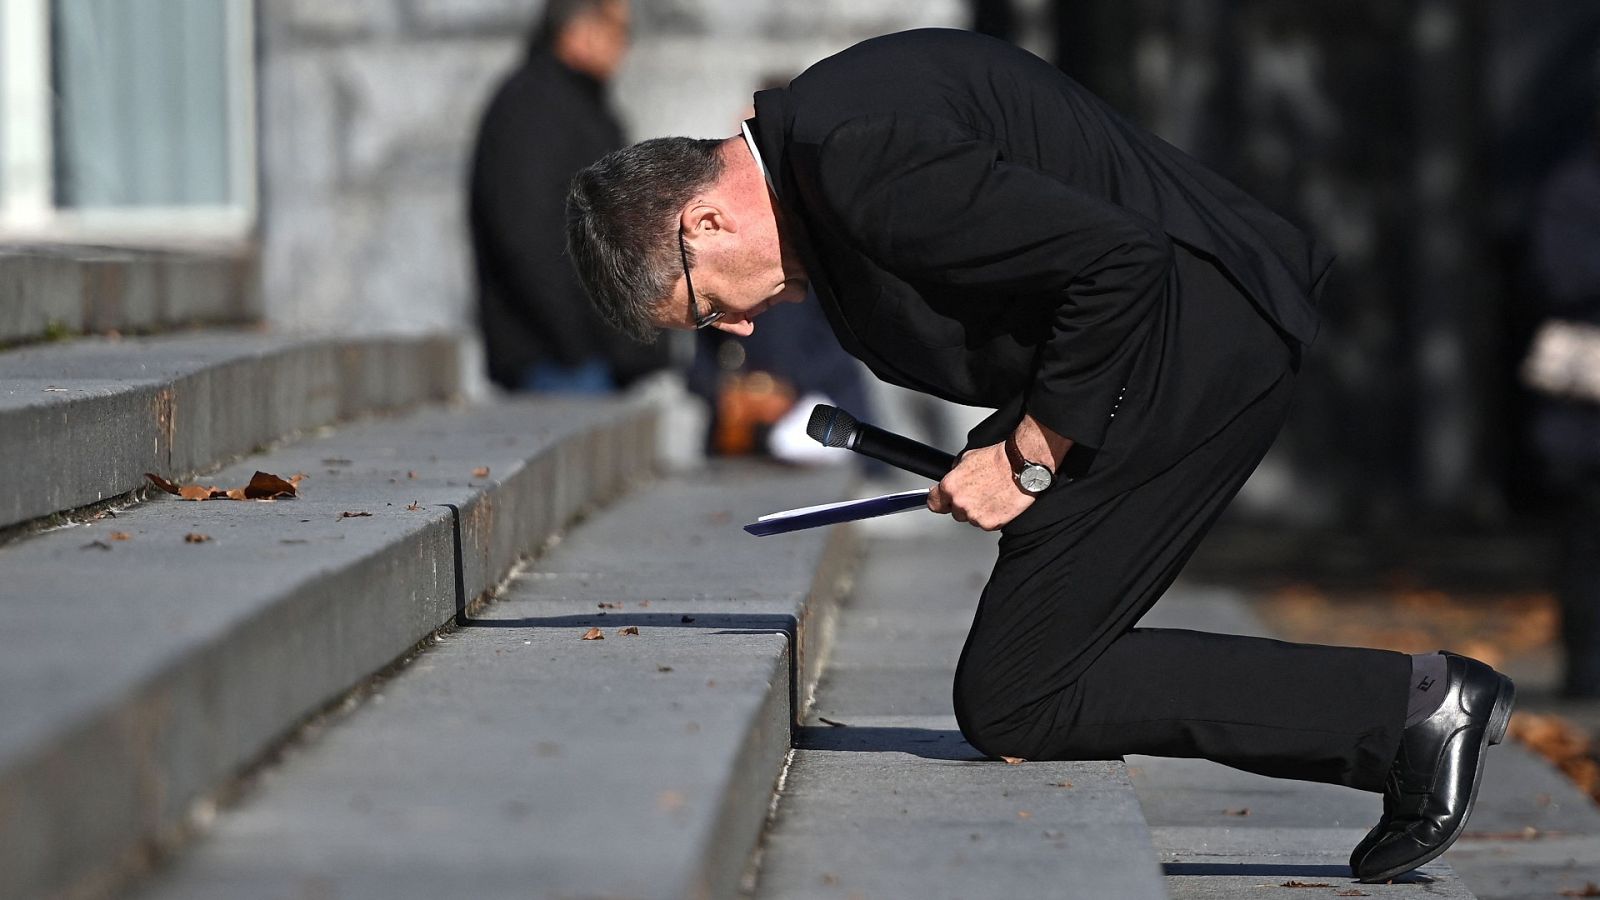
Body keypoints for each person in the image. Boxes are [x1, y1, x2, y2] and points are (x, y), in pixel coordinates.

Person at [565, 29, 1514, 883]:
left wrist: (1028, 455)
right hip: (1153, 355)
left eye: (703, 309)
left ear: (703, 223)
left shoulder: (857, 160)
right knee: (1026, 681)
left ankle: (1413, 714)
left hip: (1194, 344)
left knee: (1020, 691)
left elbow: (1119, 263)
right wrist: (1001, 444)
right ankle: (1407, 712)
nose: (732, 327)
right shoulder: (830, 141)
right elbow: (1035, 285)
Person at [467, 0, 665, 392]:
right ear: (579, 30)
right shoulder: (533, 108)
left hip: (592, 355)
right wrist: (579, 340)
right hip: (561, 360)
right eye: (618, 29)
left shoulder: (580, 105)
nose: (624, 44)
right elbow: (526, 236)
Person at [1528, 109, 1600, 698]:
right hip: (1586, 411)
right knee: (1585, 547)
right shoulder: (1577, 186)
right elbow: (1562, 275)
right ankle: (1588, 670)